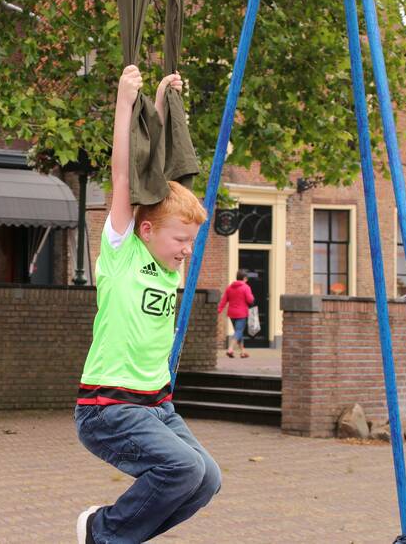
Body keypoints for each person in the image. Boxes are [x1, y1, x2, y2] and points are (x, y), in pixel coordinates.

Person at [75, 66, 220, 544]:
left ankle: (115, 535)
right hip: (108, 406)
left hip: (157, 404)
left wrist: (162, 102)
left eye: (192, 242)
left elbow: (157, 171)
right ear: (146, 230)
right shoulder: (121, 253)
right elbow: (128, 173)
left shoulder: (170, 267)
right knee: (180, 467)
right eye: (181, 239)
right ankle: (103, 534)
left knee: (205, 479)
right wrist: (125, 104)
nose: (187, 250)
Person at [217, 270, 255, 359]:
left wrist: (219, 310)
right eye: (246, 279)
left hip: (232, 313)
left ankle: (243, 351)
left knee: (238, 332)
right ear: (244, 278)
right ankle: (230, 349)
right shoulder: (246, 287)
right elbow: (250, 300)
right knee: (238, 331)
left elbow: (223, 301)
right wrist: (252, 299)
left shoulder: (229, 287)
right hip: (241, 313)